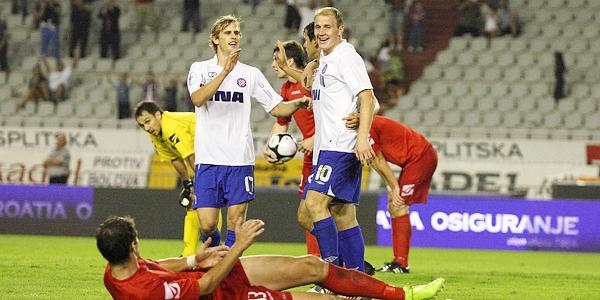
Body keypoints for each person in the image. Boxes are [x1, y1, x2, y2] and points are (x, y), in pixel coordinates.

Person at [97, 215, 446, 299]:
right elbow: (205, 287)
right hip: (223, 294)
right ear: (132, 246)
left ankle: (400, 294)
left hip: (219, 274)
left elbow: (157, 266)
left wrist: (193, 259)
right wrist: (238, 245)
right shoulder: (146, 292)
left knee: (312, 266)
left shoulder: (115, 272)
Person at [186, 15, 308, 248]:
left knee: (236, 221)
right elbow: (198, 99)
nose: (234, 36)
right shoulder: (200, 69)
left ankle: (228, 272)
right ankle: (216, 257)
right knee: (208, 224)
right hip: (209, 158)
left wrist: (297, 102)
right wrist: (224, 73)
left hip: (239, 159)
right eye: (228, 32)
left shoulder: (250, 74)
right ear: (215, 39)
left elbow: (276, 107)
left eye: (237, 32)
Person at [300, 7, 378, 274]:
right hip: (328, 147)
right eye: (318, 27)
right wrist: (312, 65)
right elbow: (371, 103)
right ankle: (356, 277)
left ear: (340, 29)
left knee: (314, 203)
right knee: (343, 213)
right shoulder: (326, 58)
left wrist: (363, 138)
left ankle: (332, 275)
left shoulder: (346, 57)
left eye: (327, 27)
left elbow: (367, 97)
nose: (322, 32)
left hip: (341, 146)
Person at [345, 114, 437, 274]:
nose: (349, 118)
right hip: (414, 159)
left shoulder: (367, 127)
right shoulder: (364, 124)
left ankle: (401, 263)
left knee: (398, 205)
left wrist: (394, 188)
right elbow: (374, 161)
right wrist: (391, 186)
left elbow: (378, 161)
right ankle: (399, 262)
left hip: (420, 157)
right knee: (395, 206)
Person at [266, 39, 319, 256]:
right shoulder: (287, 88)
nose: (272, 64)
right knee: (307, 213)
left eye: (275, 59)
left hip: (329, 153)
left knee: (325, 210)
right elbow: (281, 121)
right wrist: (272, 147)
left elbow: (335, 115)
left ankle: (337, 263)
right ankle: (319, 263)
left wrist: (316, 138)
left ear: (288, 60)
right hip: (310, 158)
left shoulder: (310, 82)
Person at [134, 100, 205, 257]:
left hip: (220, 149)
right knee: (196, 203)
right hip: (206, 157)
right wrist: (188, 184)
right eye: (142, 125)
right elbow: (175, 159)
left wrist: (203, 183)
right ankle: (189, 254)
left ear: (158, 115)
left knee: (206, 203)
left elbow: (191, 156)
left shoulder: (171, 126)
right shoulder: (156, 134)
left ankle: (200, 251)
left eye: (148, 121)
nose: (147, 128)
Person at [0, 11, 10, 83]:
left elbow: (5, 34)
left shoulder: (2, 23)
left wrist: (2, 43)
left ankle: (6, 70)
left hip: (2, 43)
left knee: (3, 58)